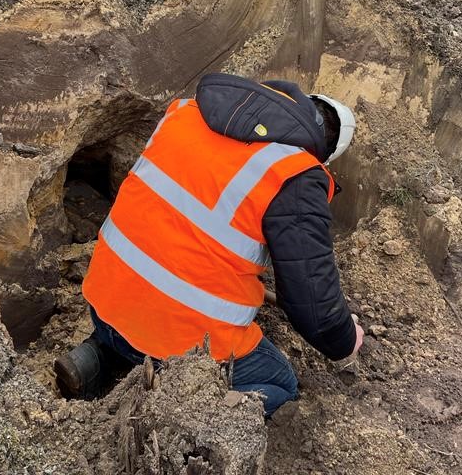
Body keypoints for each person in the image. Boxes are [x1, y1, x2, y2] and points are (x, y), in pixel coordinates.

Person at [55, 73, 364, 416]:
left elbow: (185, 224)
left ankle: (97, 355)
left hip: (104, 302)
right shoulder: (294, 174)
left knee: (139, 318)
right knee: (281, 386)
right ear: (321, 153)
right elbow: (314, 305)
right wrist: (346, 340)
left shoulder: (185, 113)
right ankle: (179, 413)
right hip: (176, 346)